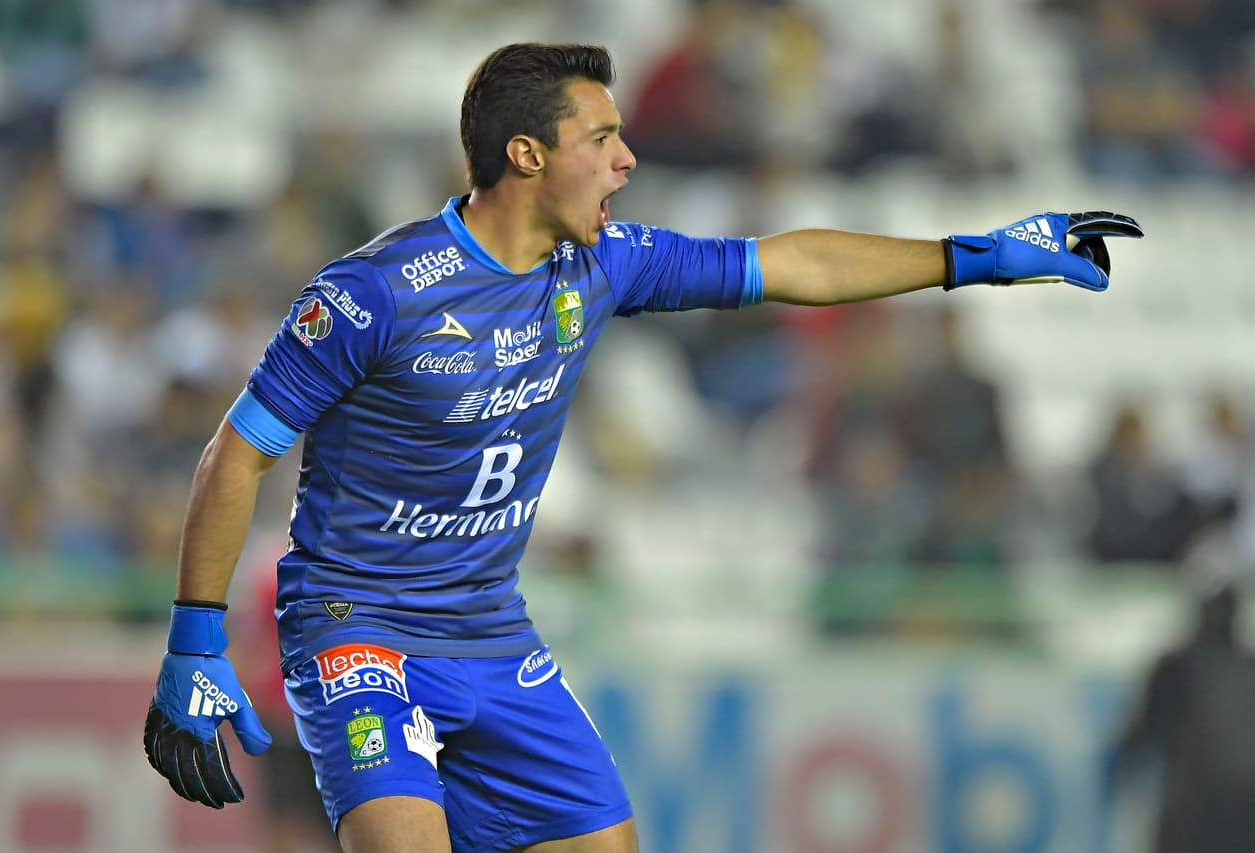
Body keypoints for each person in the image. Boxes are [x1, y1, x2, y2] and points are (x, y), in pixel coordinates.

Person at [141, 42, 1143, 853]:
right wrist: (195, 635)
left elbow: (791, 261)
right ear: (528, 155)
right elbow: (237, 454)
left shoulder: (605, 265)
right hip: (362, 631)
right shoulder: (373, 294)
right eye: (602, 138)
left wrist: (981, 256)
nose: (626, 160)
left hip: (490, 631)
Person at [1113, 581, 1255, 852]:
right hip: (1246, 815)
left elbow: (1137, 737)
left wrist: (1117, 770)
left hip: (1191, 811)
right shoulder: (1248, 668)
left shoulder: (1176, 666)